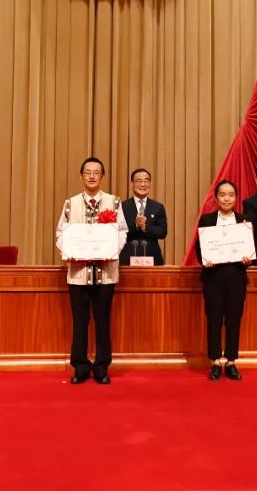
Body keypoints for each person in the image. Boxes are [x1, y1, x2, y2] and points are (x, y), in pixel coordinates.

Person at [56, 157, 128, 385]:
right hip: (78, 273)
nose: (92, 176)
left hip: (105, 272)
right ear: (81, 175)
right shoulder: (70, 204)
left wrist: (112, 250)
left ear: (102, 176)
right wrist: (67, 249)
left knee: (103, 319)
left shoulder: (114, 202)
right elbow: (60, 233)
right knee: (80, 320)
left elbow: (122, 231)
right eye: (88, 172)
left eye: (96, 172)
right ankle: (80, 365)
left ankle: (101, 366)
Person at [195, 180, 253, 381]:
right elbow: (199, 248)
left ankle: (231, 361)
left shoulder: (244, 221)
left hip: (236, 277)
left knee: (234, 319)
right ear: (216, 197)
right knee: (214, 319)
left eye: (230, 195)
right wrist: (206, 260)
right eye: (222, 194)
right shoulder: (207, 220)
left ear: (236, 198)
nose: (226, 198)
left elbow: (251, 250)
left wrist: (248, 259)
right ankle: (214, 362)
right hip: (213, 277)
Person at [120, 167, 167, 265]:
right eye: (139, 181)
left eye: (146, 181)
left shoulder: (158, 206)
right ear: (132, 184)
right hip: (128, 257)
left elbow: (163, 232)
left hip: (152, 257)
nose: (143, 184)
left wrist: (145, 227)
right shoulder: (122, 206)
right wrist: (136, 225)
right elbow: (118, 231)